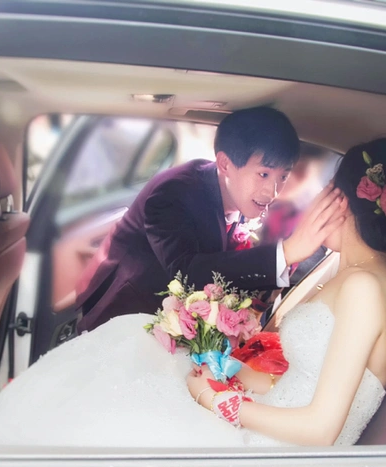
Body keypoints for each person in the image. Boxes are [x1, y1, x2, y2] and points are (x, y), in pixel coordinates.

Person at [0, 138, 386, 447]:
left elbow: (321, 429)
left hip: (279, 457)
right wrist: (223, 371)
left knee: (114, 419)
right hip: (267, 418)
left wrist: (216, 400)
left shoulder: (365, 288)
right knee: (131, 345)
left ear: (346, 202)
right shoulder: (347, 270)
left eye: (329, 190)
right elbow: (296, 373)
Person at [75, 107, 348, 332]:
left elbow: (226, 267)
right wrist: (285, 252)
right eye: (264, 174)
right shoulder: (174, 193)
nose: (273, 192)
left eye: (283, 177)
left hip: (179, 325)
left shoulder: (239, 196)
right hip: (126, 318)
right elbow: (187, 273)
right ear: (226, 163)